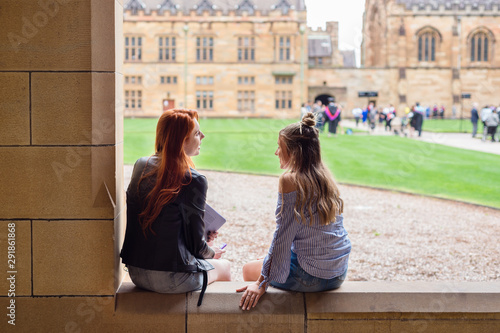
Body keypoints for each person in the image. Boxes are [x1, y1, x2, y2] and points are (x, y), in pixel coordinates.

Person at [237, 113, 351, 311]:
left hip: (310, 277)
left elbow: (282, 236)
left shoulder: (290, 180)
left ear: (293, 152)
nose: (276, 152)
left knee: (249, 269)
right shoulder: (326, 178)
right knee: (265, 260)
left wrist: (261, 283)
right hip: (338, 274)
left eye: (280, 147)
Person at [120, 109, 231, 306]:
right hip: (170, 279)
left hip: (137, 272)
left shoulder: (141, 165)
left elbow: (165, 221)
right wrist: (213, 253)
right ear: (181, 141)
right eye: (197, 133)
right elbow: (197, 247)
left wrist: (203, 236)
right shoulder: (193, 179)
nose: (203, 136)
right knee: (225, 267)